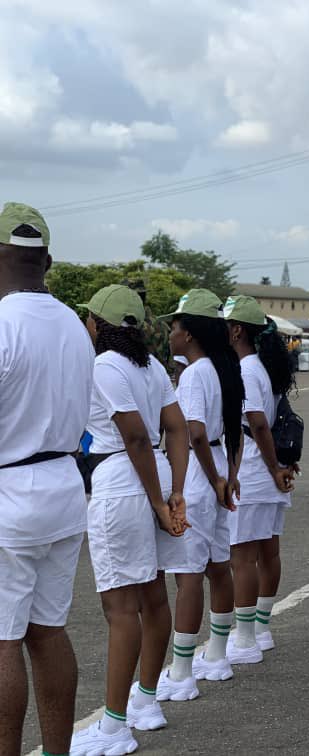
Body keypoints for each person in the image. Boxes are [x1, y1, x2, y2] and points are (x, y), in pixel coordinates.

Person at [70, 285, 191, 755]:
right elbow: (174, 428)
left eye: (88, 319)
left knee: (121, 610)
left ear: (98, 324)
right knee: (153, 598)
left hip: (124, 480)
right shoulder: (152, 365)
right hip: (153, 473)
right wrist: (175, 491)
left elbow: (136, 437)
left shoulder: (103, 365)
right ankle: (146, 701)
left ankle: (115, 727)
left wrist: (162, 502)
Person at [0, 203, 94, 756]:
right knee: (48, 630)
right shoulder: (74, 326)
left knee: (4, 638)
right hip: (64, 485)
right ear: (48, 261)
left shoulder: (2, 322)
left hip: (11, 492)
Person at [157, 288, 245, 699]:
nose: (170, 334)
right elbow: (234, 431)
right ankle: (219, 656)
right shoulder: (225, 369)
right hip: (215, 475)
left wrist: (212, 479)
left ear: (189, 334)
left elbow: (194, 432)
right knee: (218, 567)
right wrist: (229, 476)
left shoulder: (194, 374)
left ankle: (182, 672)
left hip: (197, 477)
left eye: (174, 327)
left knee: (188, 577)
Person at [223, 295, 297, 662]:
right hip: (265, 470)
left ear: (237, 331)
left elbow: (257, 423)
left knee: (243, 558)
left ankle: (246, 638)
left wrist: (272, 469)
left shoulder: (246, 369)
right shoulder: (261, 368)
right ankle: (261, 628)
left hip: (255, 469)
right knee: (268, 552)